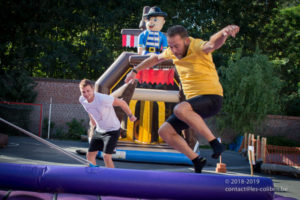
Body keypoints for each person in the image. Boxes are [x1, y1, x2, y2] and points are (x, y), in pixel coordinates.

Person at [125, 24, 240, 173]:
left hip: (211, 97)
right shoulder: (172, 52)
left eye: (176, 46)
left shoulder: (197, 46)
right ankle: (197, 160)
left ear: (186, 41)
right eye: (171, 46)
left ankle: (214, 143)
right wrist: (135, 70)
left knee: (180, 108)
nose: (174, 50)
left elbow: (212, 44)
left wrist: (223, 33)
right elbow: (155, 59)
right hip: (194, 105)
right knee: (164, 131)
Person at [79, 79, 137, 168]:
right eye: (83, 92)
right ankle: (93, 176)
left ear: (93, 89)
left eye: (88, 91)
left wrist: (130, 115)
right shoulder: (82, 100)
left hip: (112, 130)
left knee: (106, 156)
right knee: (89, 156)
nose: (86, 94)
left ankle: (111, 179)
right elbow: (89, 110)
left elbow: (122, 103)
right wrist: (92, 121)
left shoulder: (103, 99)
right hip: (99, 130)